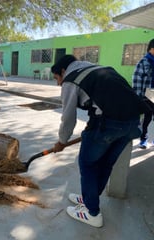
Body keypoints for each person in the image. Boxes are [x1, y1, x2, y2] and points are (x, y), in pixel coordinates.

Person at [51, 55, 149, 227]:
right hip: (133, 123)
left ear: (63, 71)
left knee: (88, 164)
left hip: (106, 124)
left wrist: (61, 141)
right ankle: (90, 197)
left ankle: (92, 213)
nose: (58, 83)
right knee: (105, 164)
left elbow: (68, 118)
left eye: (56, 78)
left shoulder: (71, 79)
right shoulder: (101, 69)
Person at [132, 39, 154, 149]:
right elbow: (137, 80)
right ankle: (143, 139)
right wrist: (138, 97)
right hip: (148, 95)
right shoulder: (144, 62)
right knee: (147, 119)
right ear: (151, 49)